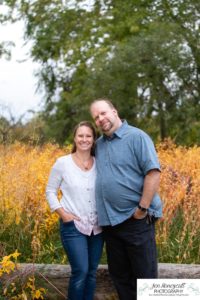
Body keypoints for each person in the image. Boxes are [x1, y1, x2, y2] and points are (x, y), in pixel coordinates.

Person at [90, 99, 163, 300]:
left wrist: (142, 209)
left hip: (135, 220)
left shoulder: (137, 137)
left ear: (114, 111)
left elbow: (153, 173)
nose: (100, 119)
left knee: (145, 280)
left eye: (103, 113)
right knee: (121, 279)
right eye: (96, 117)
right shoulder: (98, 145)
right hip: (110, 225)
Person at [46, 121, 104, 300]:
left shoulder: (100, 163)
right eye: (81, 136)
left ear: (93, 139)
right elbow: (50, 191)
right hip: (73, 226)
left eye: (88, 136)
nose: (84, 139)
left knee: (92, 272)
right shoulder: (63, 163)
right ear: (74, 138)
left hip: (98, 227)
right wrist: (63, 214)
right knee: (80, 271)